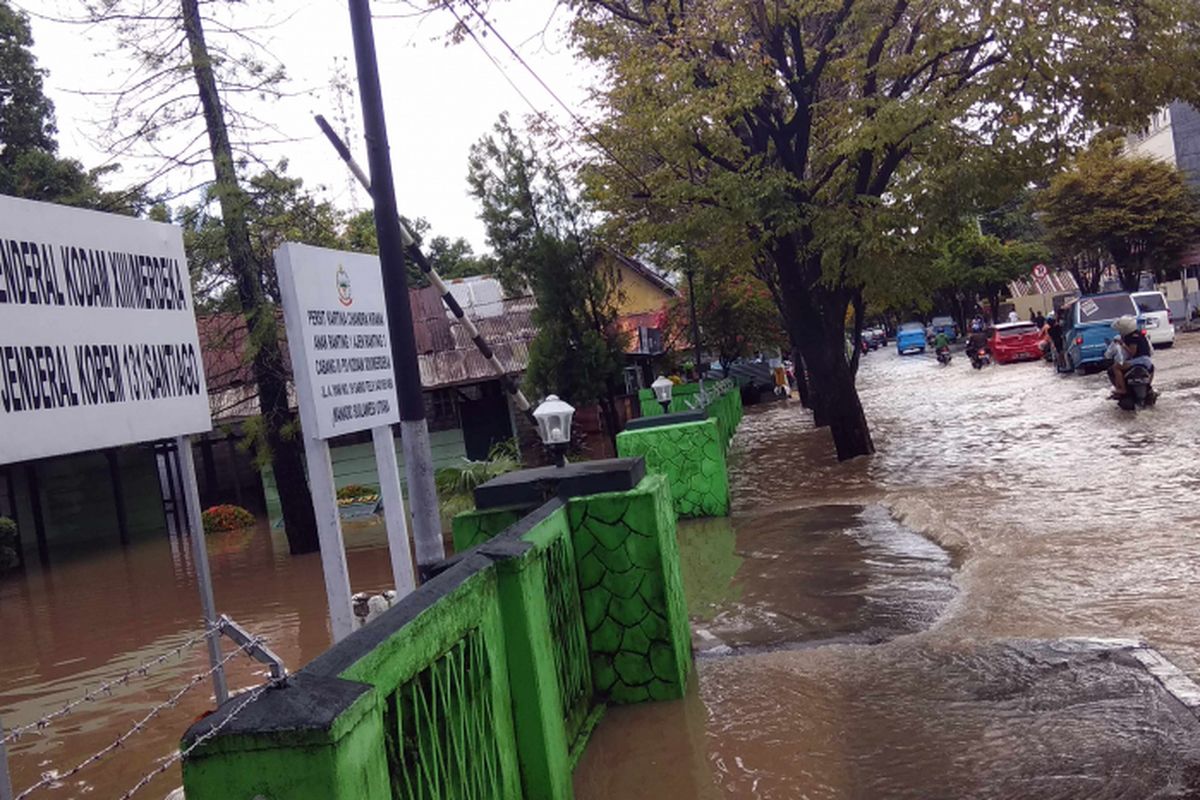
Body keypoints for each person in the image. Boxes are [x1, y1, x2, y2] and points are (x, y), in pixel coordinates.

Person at [1109, 315, 1153, 397]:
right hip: (1147, 361)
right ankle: (1149, 387)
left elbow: (1132, 352)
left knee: (1116, 367)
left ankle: (1122, 389)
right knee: (1152, 368)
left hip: (1140, 360)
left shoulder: (1132, 337)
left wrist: (1122, 344)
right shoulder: (1140, 334)